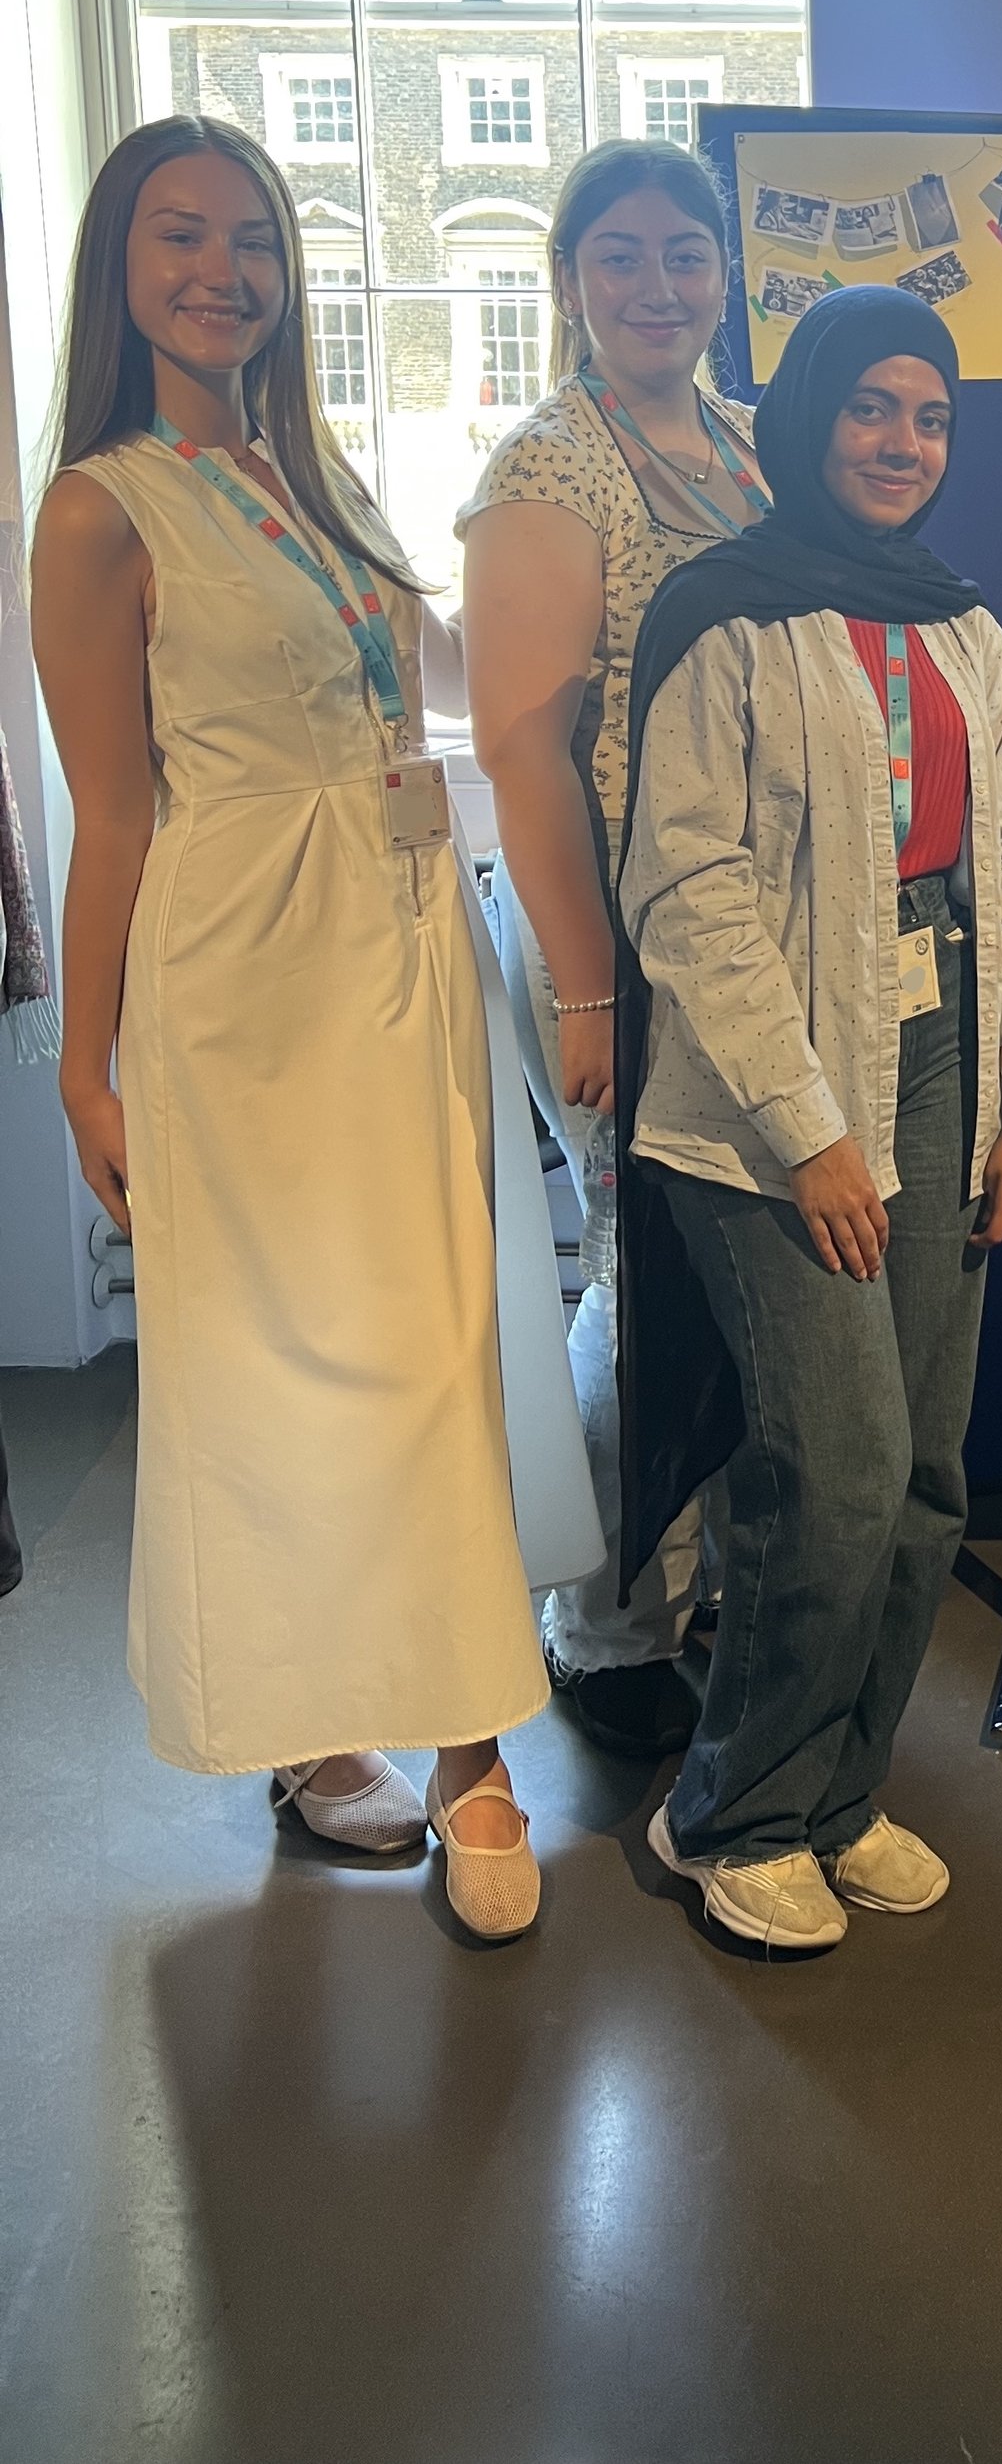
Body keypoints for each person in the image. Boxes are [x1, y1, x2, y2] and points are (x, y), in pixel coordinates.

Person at [31, 116, 597, 1942]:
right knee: (282, 1364)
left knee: (436, 1344)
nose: (226, 271)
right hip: (251, 974)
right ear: (120, 269)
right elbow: (115, 816)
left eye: (256, 238)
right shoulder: (101, 509)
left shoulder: (314, 471)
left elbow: (438, 684)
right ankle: (369, 1730)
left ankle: (452, 1722)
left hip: (410, 943)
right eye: (182, 235)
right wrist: (84, 1066)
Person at [613, 284, 1002, 1959]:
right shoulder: (722, 610)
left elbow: (1001, 866)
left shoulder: (964, 625)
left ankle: (838, 1793)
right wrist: (810, 1132)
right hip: (764, 1092)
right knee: (838, 1468)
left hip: (942, 1053)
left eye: (930, 416)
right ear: (807, 416)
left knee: (930, 1469)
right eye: (871, 406)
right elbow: (688, 888)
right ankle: (730, 1807)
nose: (901, 441)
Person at [460, 140, 767, 1758]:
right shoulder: (548, 470)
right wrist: (588, 985)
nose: (659, 286)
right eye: (621, 256)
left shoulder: (743, 440)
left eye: (686, 254)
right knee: (641, 1272)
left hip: (737, 924)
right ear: (570, 280)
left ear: (726, 273)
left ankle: (695, 1578)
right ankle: (604, 1621)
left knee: (722, 1265)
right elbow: (524, 752)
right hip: (614, 931)